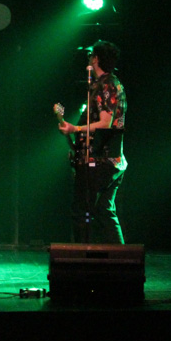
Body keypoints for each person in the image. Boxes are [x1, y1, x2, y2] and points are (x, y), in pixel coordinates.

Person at [57, 40, 127, 243]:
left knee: (82, 210)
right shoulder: (106, 85)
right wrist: (73, 135)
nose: (88, 59)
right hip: (109, 159)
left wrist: (75, 129)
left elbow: (106, 123)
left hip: (102, 160)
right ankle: (122, 261)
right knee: (104, 210)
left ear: (96, 58)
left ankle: (82, 258)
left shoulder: (107, 85)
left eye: (90, 56)